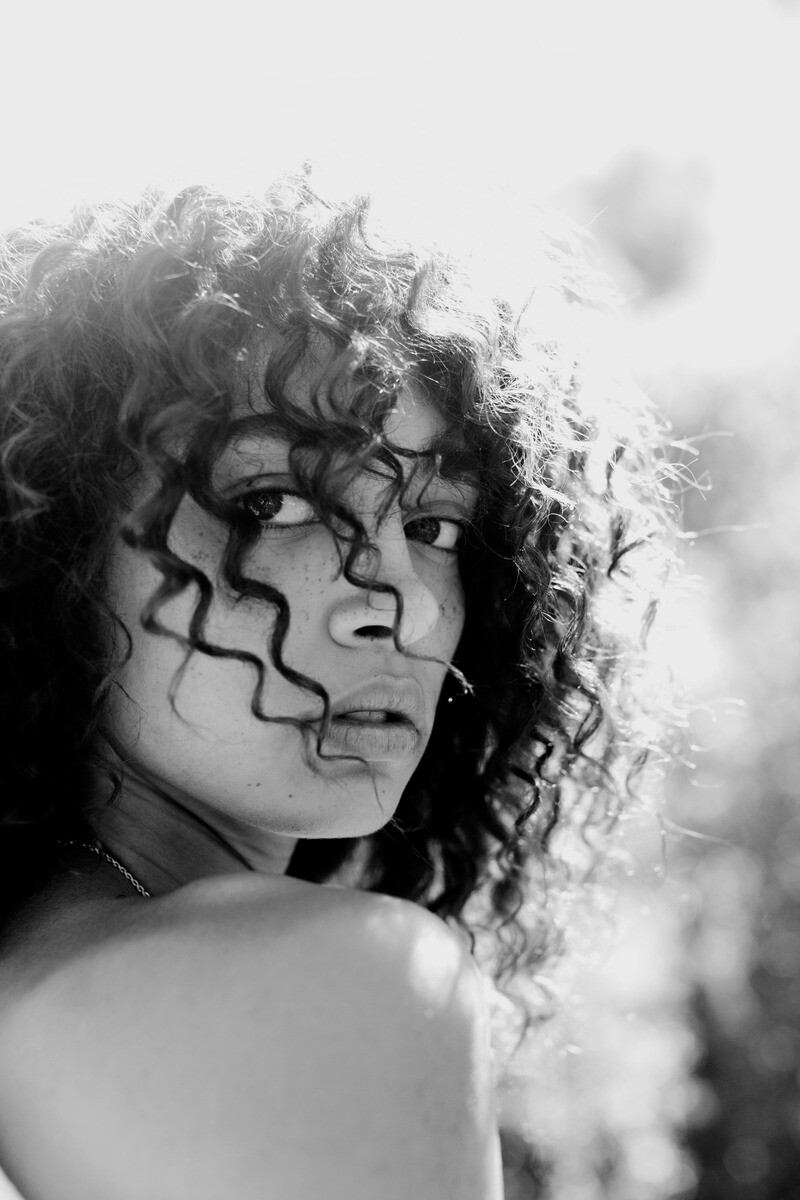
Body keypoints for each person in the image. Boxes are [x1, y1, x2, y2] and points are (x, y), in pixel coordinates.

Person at [0, 175, 675, 1200]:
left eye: (433, 525)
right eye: (271, 504)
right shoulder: (341, 982)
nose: (401, 607)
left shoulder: (37, 967)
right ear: (52, 553)